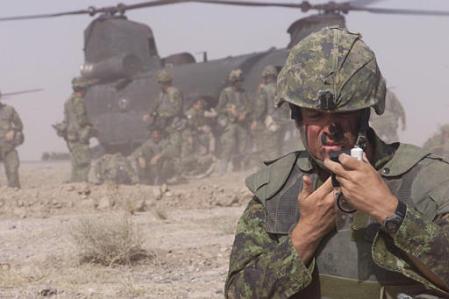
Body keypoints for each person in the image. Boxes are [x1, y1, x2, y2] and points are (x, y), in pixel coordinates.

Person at [225, 27, 449, 298]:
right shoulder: (277, 189)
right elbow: (239, 294)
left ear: (365, 115)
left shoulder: (429, 181)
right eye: (315, 115)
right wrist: (306, 233)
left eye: (342, 114)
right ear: (299, 118)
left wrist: (393, 212)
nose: (329, 129)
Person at [54, 77, 94, 183]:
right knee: (84, 162)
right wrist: (90, 125)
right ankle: (81, 184)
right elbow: (81, 120)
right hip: (80, 136)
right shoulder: (79, 102)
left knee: (76, 162)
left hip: (71, 137)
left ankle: (75, 183)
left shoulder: (68, 102)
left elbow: (66, 120)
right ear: (82, 89)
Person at [216, 69, 252, 173]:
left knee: (243, 146)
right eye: (237, 81)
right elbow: (219, 108)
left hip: (242, 123)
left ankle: (241, 168)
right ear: (233, 82)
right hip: (230, 124)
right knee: (228, 145)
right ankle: (222, 170)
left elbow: (250, 106)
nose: (239, 83)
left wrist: (244, 114)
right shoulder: (226, 92)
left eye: (240, 81)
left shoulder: (243, 93)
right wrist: (230, 111)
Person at [0, 90, 24, 188]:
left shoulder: (8, 109)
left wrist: (13, 131)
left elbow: (19, 125)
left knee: (13, 170)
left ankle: (15, 193)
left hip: (8, 146)